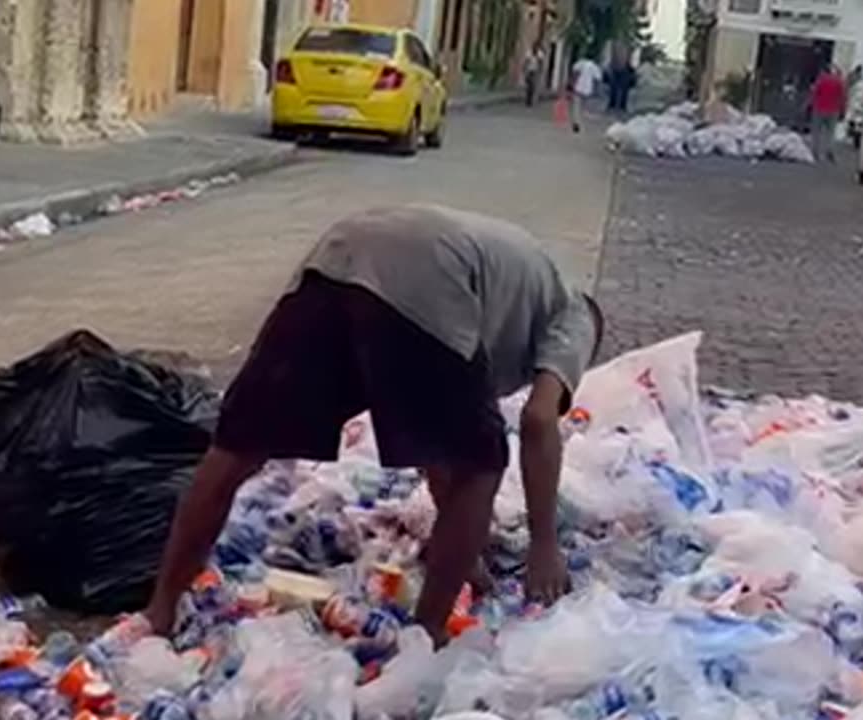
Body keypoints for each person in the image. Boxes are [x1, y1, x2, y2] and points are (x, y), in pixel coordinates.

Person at [144, 204, 604, 645]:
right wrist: (544, 545)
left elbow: (440, 447)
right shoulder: (577, 313)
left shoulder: (519, 289)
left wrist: (465, 556)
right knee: (483, 465)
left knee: (235, 447)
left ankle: (160, 610)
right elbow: (540, 419)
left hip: (337, 256)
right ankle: (428, 635)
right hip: (426, 274)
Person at [808, 65, 846, 163]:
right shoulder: (839, 82)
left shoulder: (821, 80)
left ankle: (814, 152)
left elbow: (814, 94)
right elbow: (842, 97)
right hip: (833, 110)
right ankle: (829, 151)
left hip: (819, 109)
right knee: (830, 133)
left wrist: (810, 105)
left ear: (823, 71)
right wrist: (842, 110)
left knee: (816, 132)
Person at [569, 55, 602, 133]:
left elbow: (574, 72)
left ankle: (576, 122)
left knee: (576, 106)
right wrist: (595, 90)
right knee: (584, 107)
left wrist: (573, 83)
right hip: (587, 89)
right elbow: (598, 79)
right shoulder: (595, 67)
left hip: (578, 87)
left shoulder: (580, 63)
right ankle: (581, 123)